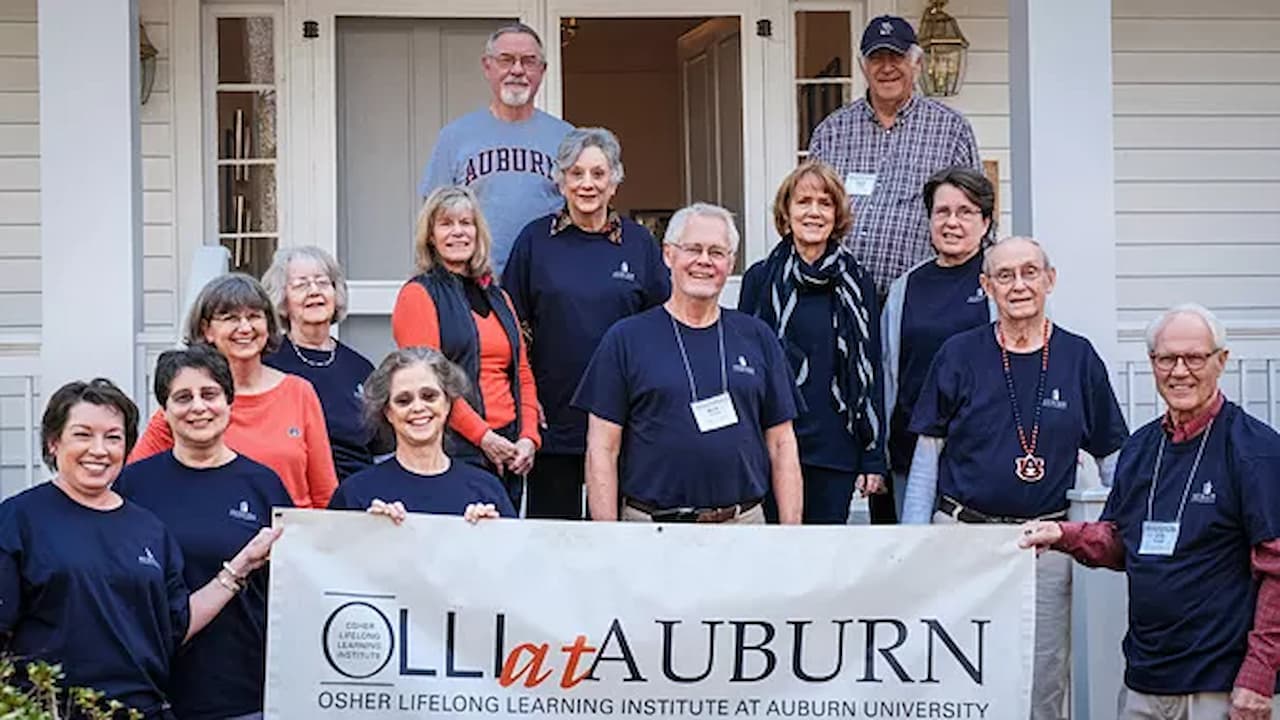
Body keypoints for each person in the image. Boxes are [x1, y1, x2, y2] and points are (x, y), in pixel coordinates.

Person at [901, 236, 1130, 720]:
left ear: (1050, 279)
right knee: (955, 672)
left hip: (1044, 545)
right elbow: (927, 458)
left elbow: (1113, 460)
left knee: (1043, 678)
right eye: (1004, 275)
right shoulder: (958, 354)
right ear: (987, 286)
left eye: (1030, 272)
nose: (1018, 284)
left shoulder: (1079, 357)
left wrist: (1116, 535)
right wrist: (913, 546)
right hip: (961, 539)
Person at [1021, 304, 1280, 720]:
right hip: (1145, 680)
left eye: (1194, 357)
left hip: (1220, 687)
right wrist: (1062, 536)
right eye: (1166, 358)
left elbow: (1276, 570)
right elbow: (1123, 543)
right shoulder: (1141, 448)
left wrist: (1258, 677)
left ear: (1222, 361)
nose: (1180, 371)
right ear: (1152, 363)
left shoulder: (1256, 451)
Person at [0, 378, 280, 719]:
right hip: (51, 710)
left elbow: (175, 626)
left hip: (140, 711)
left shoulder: (148, 529)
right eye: (83, 434)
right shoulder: (19, 519)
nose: (99, 450)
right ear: (54, 442)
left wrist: (242, 564)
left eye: (113, 437)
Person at [573, 202, 803, 525]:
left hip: (743, 528)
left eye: (717, 252)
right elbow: (601, 448)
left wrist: (792, 533)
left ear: (731, 262)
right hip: (653, 530)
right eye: (693, 249)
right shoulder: (625, 339)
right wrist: (610, 539)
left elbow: (782, 444)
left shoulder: (758, 337)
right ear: (668, 255)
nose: (704, 261)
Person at [115, 346, 293, 720]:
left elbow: (295, 584)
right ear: (164, 410)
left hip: (244, 691)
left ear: (230, 401)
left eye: (209, 394)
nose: (198, 407)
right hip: (151, 691)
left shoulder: (264, 485)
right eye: (182, 397)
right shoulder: (133, 485)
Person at [502, 127, 670, 520]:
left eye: (598, 173)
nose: (587, 184)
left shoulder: (638, 243)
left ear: (615, 181)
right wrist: (527, 401)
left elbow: (661, 326)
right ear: (560, 182)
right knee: (556, 544)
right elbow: (512, 327)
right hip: (554, 419)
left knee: (618, 541)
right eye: (576, 174)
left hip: (627, 424)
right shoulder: (535, 242)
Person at [738, 161, 887, 524]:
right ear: (786, 213)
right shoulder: (761, 278)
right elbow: (742, 365)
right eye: (804, 201)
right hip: (770, 442)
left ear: (837, 215)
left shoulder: (857, 281)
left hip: (834, 447)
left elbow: (871, 368)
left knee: (822, 567)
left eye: (825, 203)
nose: (814, 212)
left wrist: (872, 456)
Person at [808, 15, 981, 299]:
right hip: (838, 296)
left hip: (922, 298)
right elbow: (807, 209)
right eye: (877, 58)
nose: (887, 68)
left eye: (896, 57)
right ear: (864, 66)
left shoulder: (951, 130)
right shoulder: (832, 131)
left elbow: (976, 213)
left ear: (917, 63)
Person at [129, 273, 338, 509]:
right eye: (231, 318)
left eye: (254, 316)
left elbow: (324, 494)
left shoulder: (299, 392)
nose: (245, 328)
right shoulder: (191, 406)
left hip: (290, 537)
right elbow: (136, 482)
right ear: (207, 330)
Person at [391, 186, 539, 509]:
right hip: (457, 452)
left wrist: (528, 437)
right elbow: (428, 385)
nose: (458, 232)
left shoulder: (499, 297)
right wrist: (484, 437)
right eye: (446, 224)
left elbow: (523, 373)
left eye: (466, 223)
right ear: (430, 236)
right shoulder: (418, 295)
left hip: (510, 453)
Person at [881, 166, 996, 521]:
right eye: (942, 212)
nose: (952, 222)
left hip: (980, 456)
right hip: (910, 456)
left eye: (965, 212)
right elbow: (887, 373)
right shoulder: (905, 288)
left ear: (986, 222)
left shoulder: (1000, 282)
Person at [418, 23, 573, 274]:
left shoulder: (567, 138)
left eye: (529, 61)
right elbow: (435, 215)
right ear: (487, 67)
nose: (517, 70)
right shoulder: (455, 137)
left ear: (542, 71)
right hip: (474, 281)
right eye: (506, 60)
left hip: (547, 282)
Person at [329, 347, 516, 521]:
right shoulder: (356, 492)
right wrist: (368, 533)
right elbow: (327, 554)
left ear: (448, 403)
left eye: (429, 396)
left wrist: (492, 534)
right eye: (403, 401)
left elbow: (518, 554)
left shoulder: (487, 490)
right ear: (388, 412)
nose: (418, 408)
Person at [261, 245, 386, 480]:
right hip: (293, 492)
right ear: (283, 300)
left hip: (356, 492)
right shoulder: (268, 363)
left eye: (322, 282)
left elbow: (381, 448)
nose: (314, 291)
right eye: (301, 285)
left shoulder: (360, 368)